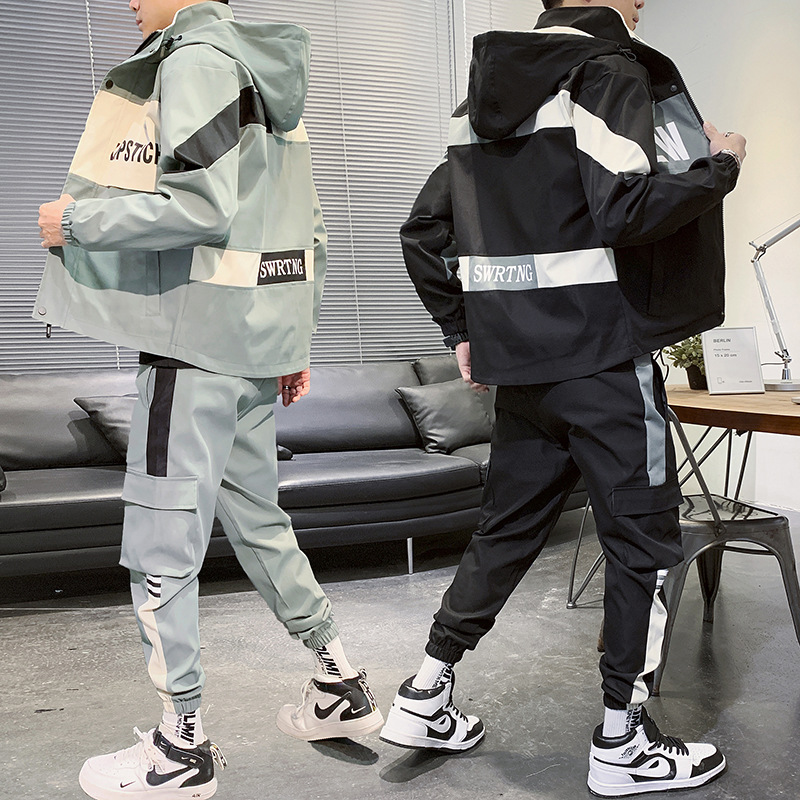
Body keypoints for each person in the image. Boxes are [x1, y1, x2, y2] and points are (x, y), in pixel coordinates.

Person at [379, 0, 746, 796]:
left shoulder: (483, 100)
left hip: (523, 370)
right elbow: (625, 207)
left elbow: (423, 231)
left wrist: (462, 328)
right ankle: (623, 743)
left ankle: (425, 694)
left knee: (504, 534)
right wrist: (719, 166)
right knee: (645, 546)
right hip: (604, 362)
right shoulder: (607, 72)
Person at [37, 2, 382, 798]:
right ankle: (340, 682)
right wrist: (292, 342)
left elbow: (199, 206)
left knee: (160, 549)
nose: (128, 2)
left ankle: (180, 747)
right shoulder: (267, 74)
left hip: (191, 351)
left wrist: (75, 222)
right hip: (253, 349)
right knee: (261, 526)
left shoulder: (194, 61)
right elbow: (309, 230)